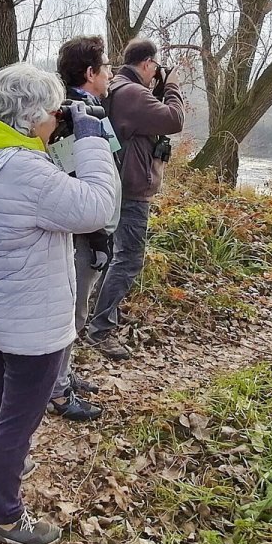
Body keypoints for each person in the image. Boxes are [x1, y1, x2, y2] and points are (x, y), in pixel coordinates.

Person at [0, 63, 117, 544]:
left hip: (2, 303)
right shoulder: (25, 169)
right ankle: (3, 513)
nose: (57, 118)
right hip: (33, 316)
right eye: (53, 110)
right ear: (32, 114)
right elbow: (98, 206)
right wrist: (92, 138)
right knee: (19, 416)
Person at [86, 38, 186, 359]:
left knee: (113, 257)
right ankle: (100, 329)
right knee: (128, 260)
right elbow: (175, 119)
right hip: (132, 191)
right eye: (155, 67)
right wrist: (171, 87)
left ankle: (97, 317)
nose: (156, 72)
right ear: (147, 64)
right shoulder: (132, 93)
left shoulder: (118, 88)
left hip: (119, 185)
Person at [47, 35, 118, 422]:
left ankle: (63, 374)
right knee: (71, 311)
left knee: (77, 306)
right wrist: (98, 232)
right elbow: (76, 182)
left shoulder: (88, 109)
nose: (110, 73)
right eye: (105, 67)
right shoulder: (73, 116)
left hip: (91, 227)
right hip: (84, 232)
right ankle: (57, 389)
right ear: (90, 72)